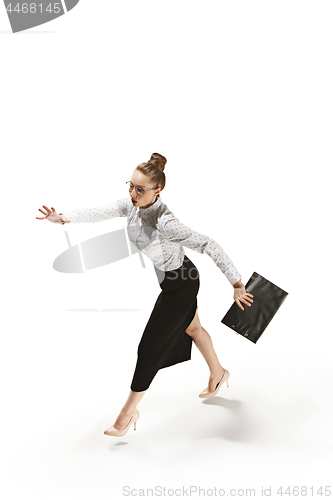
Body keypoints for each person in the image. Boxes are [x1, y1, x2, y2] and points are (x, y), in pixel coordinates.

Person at [36, 152, 254, 437]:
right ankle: (218, 372)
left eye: (140, 189)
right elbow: (97, 212)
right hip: (168, 279)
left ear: (157, 190)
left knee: (149, 347)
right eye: (130, 186)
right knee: (193, 327)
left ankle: (128, 413)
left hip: (182, 284)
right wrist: (62, 218)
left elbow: (208, 244)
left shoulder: (166, 222)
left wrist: (236, 282)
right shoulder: (130, 205)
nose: (132, 193)